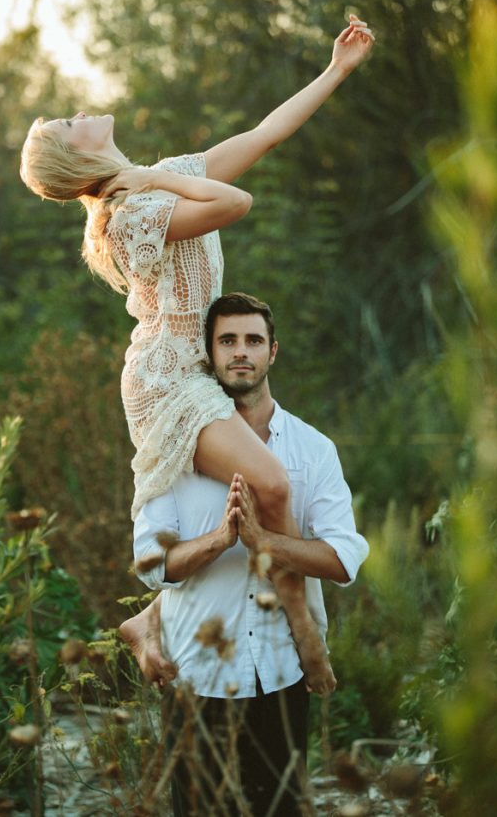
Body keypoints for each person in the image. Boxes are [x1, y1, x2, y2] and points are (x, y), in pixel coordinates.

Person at [19, 16, 375, 692]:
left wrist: (336, 71)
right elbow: (237, 202)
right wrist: (152, 174)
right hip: (165, 379)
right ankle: (302, 630)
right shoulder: (131, 215)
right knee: (271, 486)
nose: (79, 112)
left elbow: (263, 138)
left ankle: (155, 619)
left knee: (251, 494)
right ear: (77, 159)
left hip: (194, 369)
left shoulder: (160, 182)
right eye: (69, 124)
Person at [130, 292, 369, 816]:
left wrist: (267, 542)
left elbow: (343, 556)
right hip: (197, 673)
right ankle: (146, 626)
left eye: (253, 341)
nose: (241, 352)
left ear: (272, 352)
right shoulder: (176, 450)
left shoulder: (312, 448)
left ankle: (144, 626)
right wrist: (219, 541)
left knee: (281, 809)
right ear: (209, 354)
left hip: (280, 672)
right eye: (228, 341)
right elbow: (149, 562)